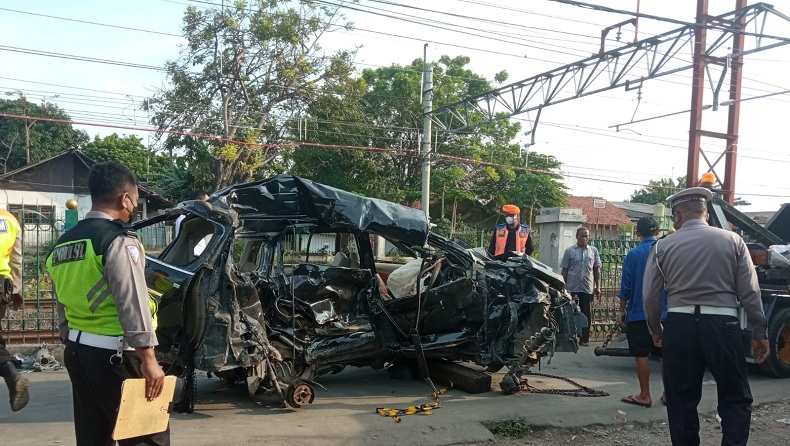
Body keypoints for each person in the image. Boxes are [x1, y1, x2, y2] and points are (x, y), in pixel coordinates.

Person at [46, 162, 169, 446]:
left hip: (78, 353)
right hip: (118, 357)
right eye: (135, 201)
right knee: (146, 438)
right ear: (124, 199)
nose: (134, 207)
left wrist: (72, 342)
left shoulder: (63, 243)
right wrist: (149, 360)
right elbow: (132, 302)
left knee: (94, 437)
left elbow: (63, 301)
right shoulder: (118, 240)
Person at [643, 187, 769, 446]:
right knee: (735, 397)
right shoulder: (733, 241)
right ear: (707, 214)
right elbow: (750, 293)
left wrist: (656, 329)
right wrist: (759, 330)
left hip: (679, 326)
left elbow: (650, 298)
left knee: (680, 400)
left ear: (677, 216)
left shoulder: (662, 247)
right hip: (723, 325)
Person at [617, 216, 666, 409]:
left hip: (639, 313)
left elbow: (626, 286)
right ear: (658, 231)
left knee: (641, 354)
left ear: (637, 233)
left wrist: (621, 311)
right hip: (664, 314)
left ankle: (645, 395)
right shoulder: (666, 252)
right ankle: (668, 394)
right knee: (664, 355)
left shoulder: (633, 254)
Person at [0, 207, 29, 412]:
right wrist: (17, 289)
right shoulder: (10, 219)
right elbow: (16, 259)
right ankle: (12, 375)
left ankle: (11, 374)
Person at [560, 227, 601, 346]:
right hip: (572, 287)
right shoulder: (570, 251)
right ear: (577, 236)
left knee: (586, 313)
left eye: (586, 236)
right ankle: (571, 337)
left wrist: (598, 286)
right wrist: (562, 286)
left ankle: (584, 339)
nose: (584, 238)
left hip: (587, 287)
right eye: (582, 236)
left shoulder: (593, 251)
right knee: (571, 313)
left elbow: (596, 269)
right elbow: (565, 269)